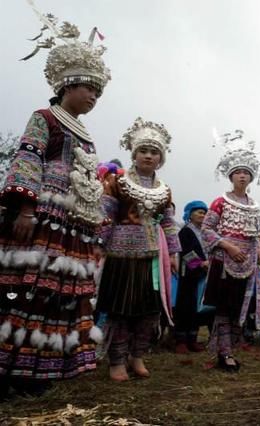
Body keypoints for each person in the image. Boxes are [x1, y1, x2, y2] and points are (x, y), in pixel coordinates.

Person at [0, 14, 110, 398]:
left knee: (58, 293)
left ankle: (35, 369)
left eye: (98, 91)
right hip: (43, 216)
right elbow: (27, 159)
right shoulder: (44, 117)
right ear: (67, 85)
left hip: (73, 224)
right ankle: (6, 368)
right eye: (88, 89)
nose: (93, 97)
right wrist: (25, 209)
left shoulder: (87, 137)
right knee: (27, 287)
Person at [98, 118, 180, 381]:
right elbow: (105, 215)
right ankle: (116, 360)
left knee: (148, 310)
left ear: (161, 158)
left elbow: (168, 223)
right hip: (120, 255)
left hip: (153, 256)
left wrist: (175, 253)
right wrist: (98, 246)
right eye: (143, 151)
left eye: (154, 152)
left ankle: (138, 356)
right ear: (133, 154)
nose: (148, 156)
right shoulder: (117, 182)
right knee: (120, 309)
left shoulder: (164, 189)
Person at [201, 134, 260, 372]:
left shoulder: (254, 205)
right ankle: (224, 352)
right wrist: (228, 246)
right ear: (230, 176)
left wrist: (259, 249)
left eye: (246, 173)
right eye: (238, 172)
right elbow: (207, 229)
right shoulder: (220, 201)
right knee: (224, 308)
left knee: (239, 307)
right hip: (225, 261)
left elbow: (255, 234)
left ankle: (231, 349)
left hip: (247, 263)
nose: (242, 175)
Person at [174, 201, 211, 354]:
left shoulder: (206, 232)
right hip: (188, 274)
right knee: (185, 306)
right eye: (198, 212)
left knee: (196, 308)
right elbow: (185, 252)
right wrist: (201, 263)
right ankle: (180, 341)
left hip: (202, 275)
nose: (202, 215)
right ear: (190, 214)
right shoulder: (185, 232)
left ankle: (193, 339)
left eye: (204, 212)